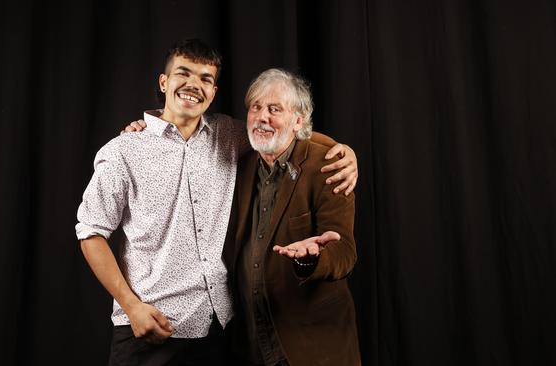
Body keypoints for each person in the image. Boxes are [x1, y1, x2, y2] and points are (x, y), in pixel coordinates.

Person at [76, 39, 358, 365]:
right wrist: (131, 306)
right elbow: (90, 233)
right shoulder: (124, 151)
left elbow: (281, 132)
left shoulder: (226, 134)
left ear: (213, 91)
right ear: (164, 82)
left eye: (206, 79)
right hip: (148, 328)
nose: (194, 85)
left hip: (217, 331)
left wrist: (342, 150)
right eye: (184, 73)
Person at [223, 69, 361, 366]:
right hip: (250, 347)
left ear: (298, 121)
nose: (262, 117)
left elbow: (344, 252)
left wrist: (312, 258)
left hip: (311, 349)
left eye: (274, 109)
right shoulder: (240, 165)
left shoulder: (329, 166)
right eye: (256, 107)